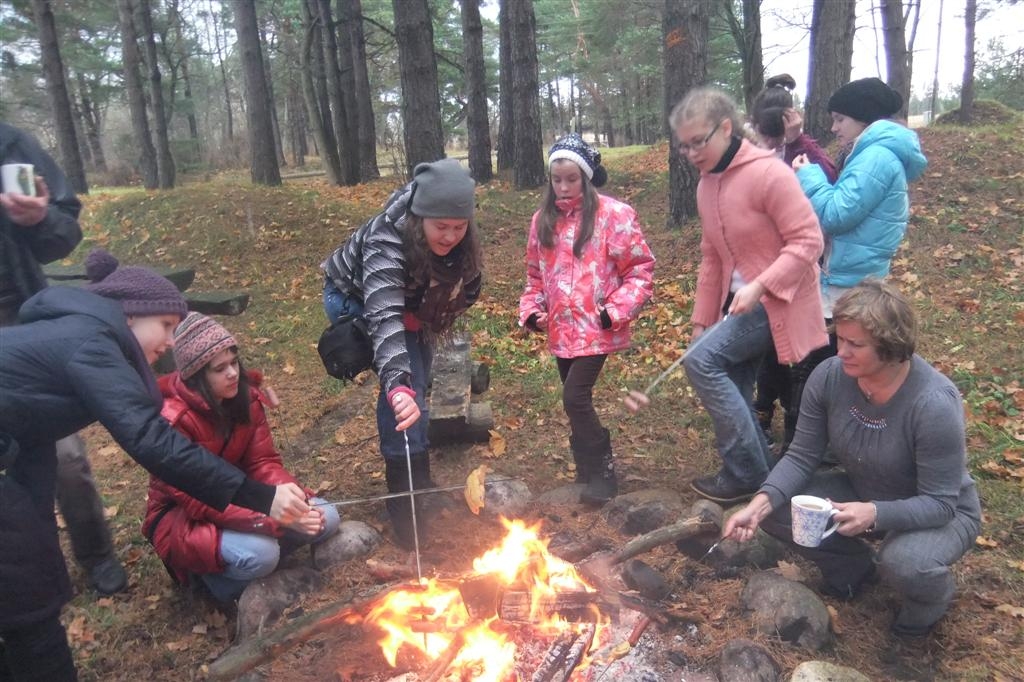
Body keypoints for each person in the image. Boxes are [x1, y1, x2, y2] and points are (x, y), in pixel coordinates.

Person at [0, 249, 310, 681]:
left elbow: (158, 390)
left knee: (26, 584)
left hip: (15, 454)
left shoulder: (86, 336)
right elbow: (148, 436)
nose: (170, 341)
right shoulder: (92, 342)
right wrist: (260, 498)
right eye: (166, 325)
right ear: (131, 315)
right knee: (31, 608)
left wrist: (248, 381)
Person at [724, 280, 980, 637]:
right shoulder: (830, 376)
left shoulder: (933, 403)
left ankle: (928, 603)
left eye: (855, 344)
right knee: (783, 507)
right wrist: (759, 504)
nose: (841, 350)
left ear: (891, 348)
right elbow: (800, 456)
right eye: (840, 338)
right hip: (867, 487)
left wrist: (875, 513)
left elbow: (941, 503)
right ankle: (855, 570)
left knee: (905, 562)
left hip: (941, 512)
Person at [669, 87, 827, 504]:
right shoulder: (707, 185)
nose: (690, 153)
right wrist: (702, 320)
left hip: (780, 298)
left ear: (725, 128)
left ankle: (747, 472)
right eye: (683, 146)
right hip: (735, 302)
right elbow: (712, 257)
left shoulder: (768, 173)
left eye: (697, 142)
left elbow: (809, 241)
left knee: (703, 362)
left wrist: (761, 285)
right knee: (733, 381)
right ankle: (765, 481)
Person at [321, 158, 482, 548]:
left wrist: (436, 311)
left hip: (409, 300)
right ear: (419, 216)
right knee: (405, 389)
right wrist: (397, 385)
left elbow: (470, 285)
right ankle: (404, 502)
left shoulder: (462, 236)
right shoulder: (386, 241)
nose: (449, 236)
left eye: (458, 228)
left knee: (420, 378)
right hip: (357, 298)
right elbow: (386, 315)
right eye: (440, 227)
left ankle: (419, 476)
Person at [0, 121, 128, 596]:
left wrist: (36, 219)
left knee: (65, 455)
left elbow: (64, 229)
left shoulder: (9, 144)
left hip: (21, 313)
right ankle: (28, 574)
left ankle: (96, 554)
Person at [144, 313, 340, 602]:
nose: (233, 373)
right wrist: (273, 519)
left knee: (328, 517)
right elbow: (200, 500)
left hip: (245, 498)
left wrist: (292, 501)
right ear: (196, 376)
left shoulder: (245, 399)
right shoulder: (171, 423)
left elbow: (262, 463)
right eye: (219, 368)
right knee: (262, 554)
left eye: (234, 362)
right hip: (185, 518)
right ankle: (213, 583)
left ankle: (253, 557)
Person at [518, 133, 654, 505]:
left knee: (574, 397)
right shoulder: (541, 220)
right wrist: (532, 311)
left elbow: (640, 271)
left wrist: (614, 312)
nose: (563, 187)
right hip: (562, 330)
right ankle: (586, 470)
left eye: (571, 179)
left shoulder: (614, 215)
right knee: (575, 399)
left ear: (587, 176)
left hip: (596, 327)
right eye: (556, 179)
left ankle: (605, 473)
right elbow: (535, 276)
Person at [747, 76, 837, 454]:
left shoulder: (802, 150)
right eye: (767, 132)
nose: (772, 140)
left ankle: (796, 431)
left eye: (777, 132)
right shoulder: (749, 150)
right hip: (765, 264)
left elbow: (827, 176)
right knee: (773, 345)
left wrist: (797, 140)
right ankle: (763, 413)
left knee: (799, 351)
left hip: (803, 263)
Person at [793, 76, 927, 323]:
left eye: (840, 119)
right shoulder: (870, 154)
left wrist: (808, 175)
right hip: (854, 278)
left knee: (829, 357)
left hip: (851, 286)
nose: (834, 128)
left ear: (864, 118)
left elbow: (836, 215)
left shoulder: (875, 159)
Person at [749, 74, 837, 183]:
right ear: (753, 124)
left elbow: (831, 179)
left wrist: (797, 141)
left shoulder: (797, 145)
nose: (770, 144)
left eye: (778, 138)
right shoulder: (738, 148)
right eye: (765, 135)